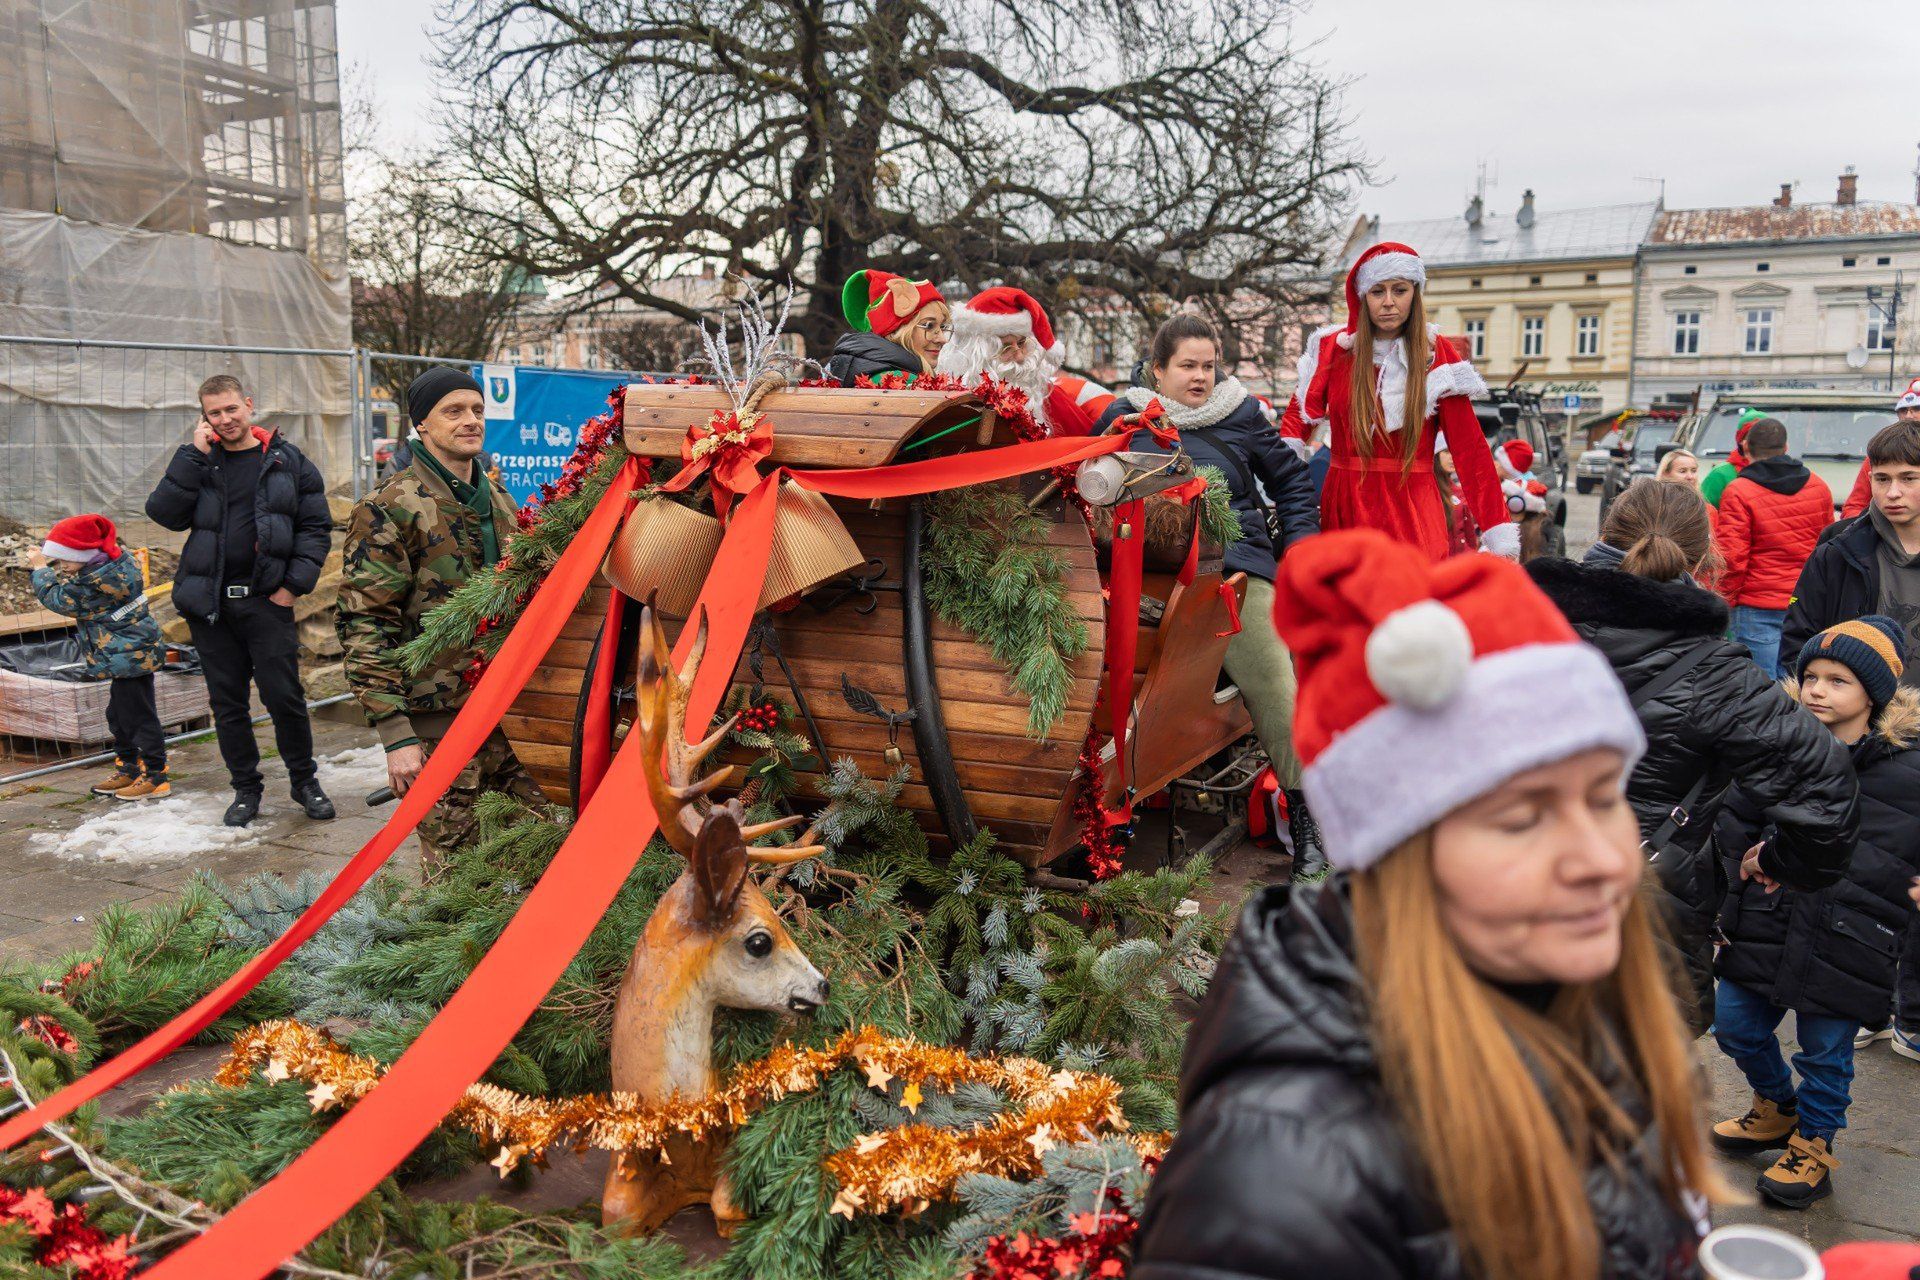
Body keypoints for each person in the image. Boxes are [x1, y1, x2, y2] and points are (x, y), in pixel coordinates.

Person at [1133, 529, 1723, 1280]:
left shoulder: (1581, 1002)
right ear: (1399, 859)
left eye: (1604, 796)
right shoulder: (1284, 1179)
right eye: (1520, 819)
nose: (1605, 859)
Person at [1526, 480, 1858, 1032]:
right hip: (1648, 899)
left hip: (1508, 880)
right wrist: (1781, 864)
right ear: (1705, 557)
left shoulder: (1512, 629)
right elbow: (1826, 793)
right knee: (1633, 1070)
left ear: (1605, 536)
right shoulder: (1722, 675)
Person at [1091, 314, 1322, 861]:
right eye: (1187, 366)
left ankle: (1308, 822)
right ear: (1158, 369)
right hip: (1140, 567)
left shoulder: (1241, 414)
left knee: (1271, 679)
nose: (1200, 377)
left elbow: (1291, 480)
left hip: (1234, 567)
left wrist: (1300, 549)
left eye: (1208, 366)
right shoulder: (1126, 417)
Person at [1711, 617, 1920, 1208]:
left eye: (1838, 680)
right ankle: (1777, 1105)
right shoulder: (1776, 750)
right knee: (1734, 1025)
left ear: (1873, 695)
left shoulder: (1909, 771)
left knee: (1826, 1052)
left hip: (1852, 934)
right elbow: (1735, 827)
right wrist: (1731, 899)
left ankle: (1814, 1142)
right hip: (1767, 920)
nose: (1817, 690)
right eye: (1810, 676)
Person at [338, 368, 544, 868]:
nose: (471, 420)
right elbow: (365, 624)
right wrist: (396, 735)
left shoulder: (500, 502)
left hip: (509, 722)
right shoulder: (389, 508)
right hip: (440, 731)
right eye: (454, 411)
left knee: (530, 864)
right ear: (422, 426)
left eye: (477, 410)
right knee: (455, 884)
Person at [1786, 418, 1920, 1061]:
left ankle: (1912, 1010)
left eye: (1910, 479)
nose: (1894, 493)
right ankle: (1855, 996)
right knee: (1861, 866)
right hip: (1859, 734)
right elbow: (1800, 630)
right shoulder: (1844, 545)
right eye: (1885, 479)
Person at [144, 374, 333, 827]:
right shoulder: (199, 462)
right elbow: (163, 514)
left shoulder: (287, 462)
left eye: (232, 409)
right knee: (228, 705)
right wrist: (193, 455)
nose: (225, 419)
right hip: (212, 608)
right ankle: (246, 790)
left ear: (249, 405)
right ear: (204, 418)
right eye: (215, 413)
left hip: (267, 603)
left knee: (284, 697)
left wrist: (293, 587)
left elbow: (316, 528)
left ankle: (304, 781)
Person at [1280, 242, 1515, 560]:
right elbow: (1295, 424)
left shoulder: (1434, 356)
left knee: (1412, 604)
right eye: (1377, 291)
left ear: (1414, 294)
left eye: (1399, 290)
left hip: (1413, 511)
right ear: (1364, 297)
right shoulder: (1334, 351)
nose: (1388, 302)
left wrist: (1497, 532)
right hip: (1346, 509)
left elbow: (1470, 451)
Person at [29, 515, 170, 800]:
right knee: (118, 716)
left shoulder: (97, 583)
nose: (62, 566)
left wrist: (40, 568)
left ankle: (156, 776)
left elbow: (56, 599)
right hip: (124, 655)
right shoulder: (113, 565)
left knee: (138, 717)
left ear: (83, 553)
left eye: (64, 559)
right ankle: (128, 768)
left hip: (128, 657)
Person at [1717, 417, 1834, 676]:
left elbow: (1733, 558)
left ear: (1746, 448)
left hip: (1756, 604)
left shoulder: (1738, 491)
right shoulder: (1818, 486)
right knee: (1802, 682)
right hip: (1805, 602)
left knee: (1761, 690)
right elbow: (1828, 546)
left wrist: (1724, 601)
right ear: (1786, 446)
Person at [936, 286, 1114, 436]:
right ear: (977, 356)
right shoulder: (950, 408)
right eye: (1006, 348)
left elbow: (1091, 450)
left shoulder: (1049, 397)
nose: (1020, 356)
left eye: (1022, 343)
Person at [824, 269, 949, 384]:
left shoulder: (848, 371)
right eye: (929, 325)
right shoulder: (901, 382)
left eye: (942, 327)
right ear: (897, 330)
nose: (942, 339)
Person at [1838, 379, 1920, 518]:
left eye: (1917, 409)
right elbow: (1854, 507)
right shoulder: (1881, 453)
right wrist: (1871, 533)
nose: (1908, 415)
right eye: (1903, 410)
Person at [1701, 409, 1767, 508]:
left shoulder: (1785, 472)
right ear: (1742, 442)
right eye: (1754, 436)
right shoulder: (1720, 475)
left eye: (1766, 436)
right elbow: (1705, 516)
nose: (1760, 441)